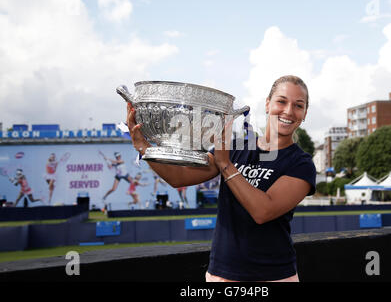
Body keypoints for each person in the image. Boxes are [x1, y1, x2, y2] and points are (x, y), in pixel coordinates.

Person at [126, 75, 316, 282]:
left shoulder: (301, 164)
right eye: (282, 101)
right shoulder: (235, 147)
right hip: (221, 274)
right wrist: (144, 148)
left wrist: (225, 165)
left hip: (273, 275)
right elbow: (178, 178)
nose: (288, 111)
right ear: (268, 104)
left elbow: (263, 211)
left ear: (304, 114)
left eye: (298, 105)